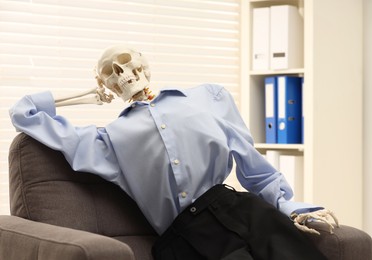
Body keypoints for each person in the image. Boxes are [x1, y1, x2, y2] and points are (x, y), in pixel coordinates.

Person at [9, 44, 335, 259]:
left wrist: (287, 204)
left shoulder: (209, 97)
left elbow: (252, 165)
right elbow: (24, 113)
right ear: (106, 84)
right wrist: (89, 96)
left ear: (145, 66)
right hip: (186, 234)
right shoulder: (104, 142)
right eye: (112, 73)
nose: (124, 75)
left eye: (127, 64)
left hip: (239, 207)